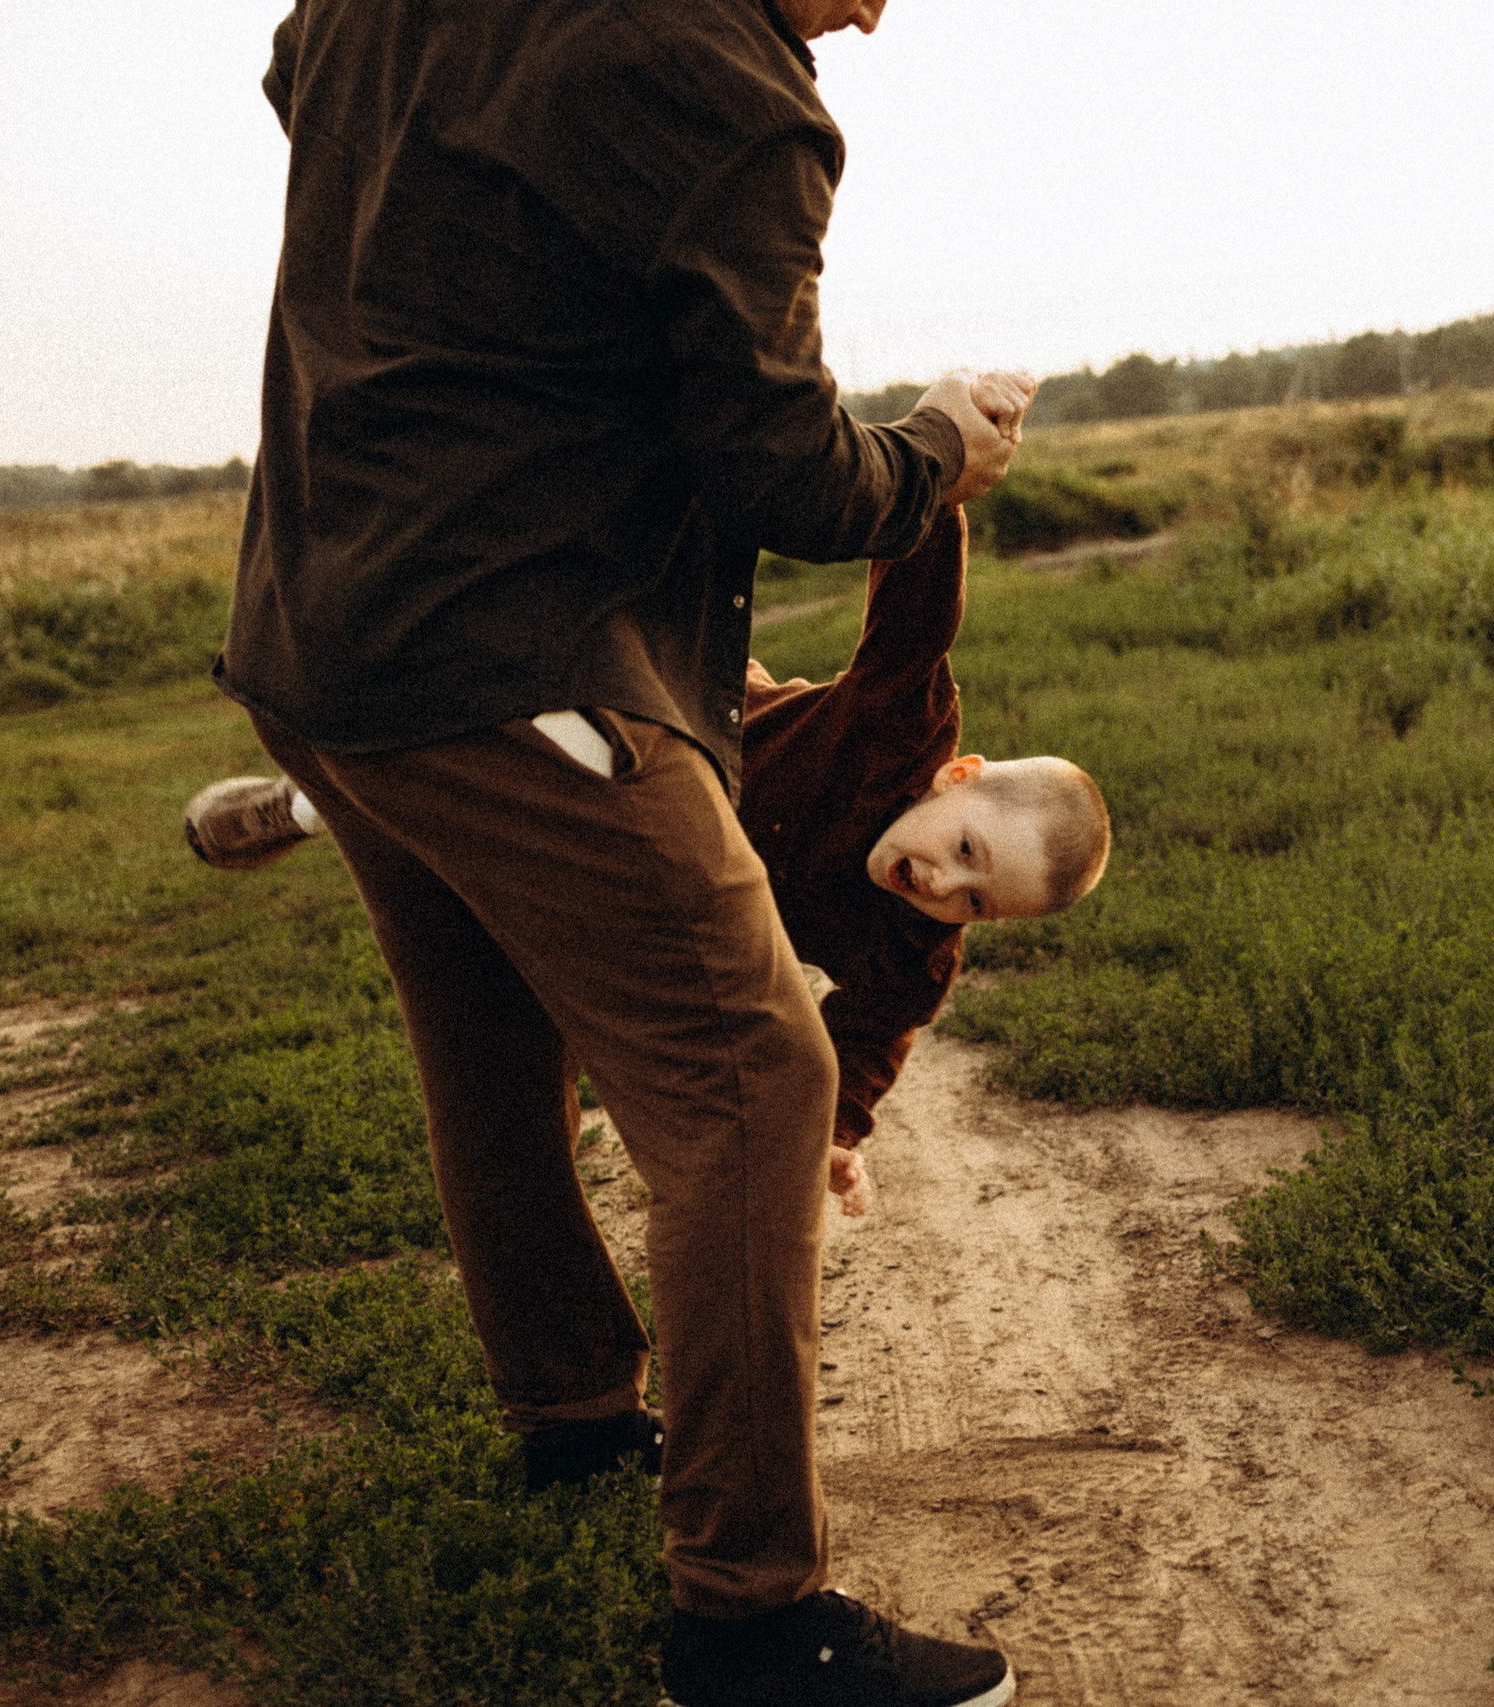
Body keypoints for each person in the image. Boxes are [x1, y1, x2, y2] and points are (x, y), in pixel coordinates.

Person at [215, 0, 1039, 1698]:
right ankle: (751, 1615)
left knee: (493, 1050)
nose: (887, 8)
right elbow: (786, 468)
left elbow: (300, 64)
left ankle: (577, 1416)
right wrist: (941, 448)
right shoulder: (726, 79)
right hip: (522, 663)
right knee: (755, 1069)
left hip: (320, 634)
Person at [187, 501, 1111, 1225]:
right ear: (955, 777)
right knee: (506, 736)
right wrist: (940, 480)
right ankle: (314, 797)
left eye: (978, 903)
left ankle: (353, 796)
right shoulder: (894, 734)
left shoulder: (915, 952)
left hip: (664, 876)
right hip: (677, 720)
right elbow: (917, 616)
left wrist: (832, 1133)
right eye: (964, 850)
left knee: (543, 902)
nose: (947, 887)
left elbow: (866, 1042)